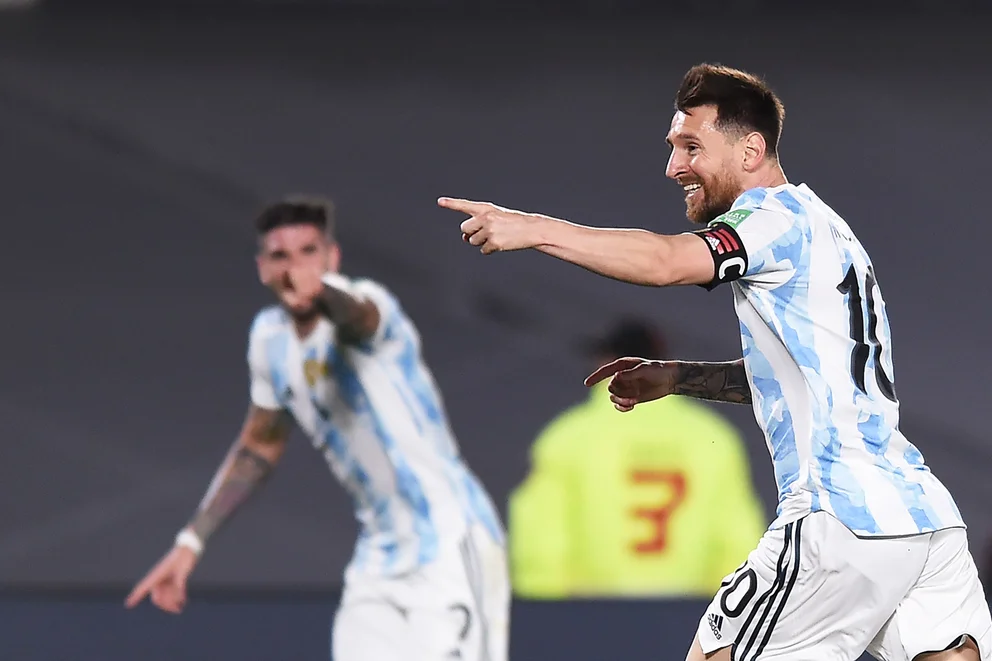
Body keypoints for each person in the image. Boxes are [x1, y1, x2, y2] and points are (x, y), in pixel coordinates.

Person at [438, 64, 990, 661]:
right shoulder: (828, 229)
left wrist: (532, 229)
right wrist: (677, 377)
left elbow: (665, 262)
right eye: (673, 146)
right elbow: (803, 379)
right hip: (922, 517)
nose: (674, 167)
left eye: (691, 147)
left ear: (750, 150)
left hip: (839, 514)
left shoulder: (771, 219)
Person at [125, 196, 509, 661]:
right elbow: (259, 446)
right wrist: (190, 542)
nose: (296, 268)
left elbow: (356, 317)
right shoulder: (269, 339)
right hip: (378, 561)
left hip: (450, 544)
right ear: (262, 268)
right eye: (280, 256)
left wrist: (324, 292)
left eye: (309, 252)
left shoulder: (370, 307)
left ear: (333, 257)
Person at [508, 318, 766, 599]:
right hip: (689, 615)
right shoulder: (713, 437)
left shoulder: (568, 437)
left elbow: (540, 538)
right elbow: (737, 541)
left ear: (606, 365)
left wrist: (546, 612)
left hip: (588, 615)